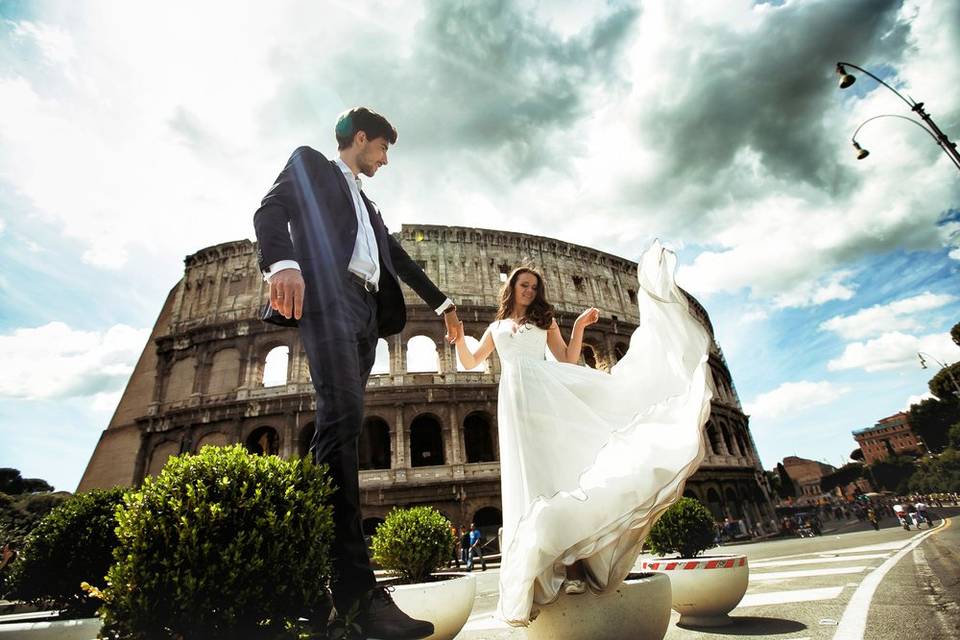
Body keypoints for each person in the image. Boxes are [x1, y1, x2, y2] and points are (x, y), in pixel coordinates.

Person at [253, 107, 462, 640]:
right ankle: (354, 588)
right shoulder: (312, 166)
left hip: (367, 312)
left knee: (341, 429)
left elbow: (396, 258)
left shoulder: (368, 206)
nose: (386, 160)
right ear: (362, 138)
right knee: (340, 425)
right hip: (331, 298)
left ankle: (340, 582)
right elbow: (269, 213)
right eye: (383, 149)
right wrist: (284, 265)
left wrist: (442, 305)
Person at [453, 242, 713, 626]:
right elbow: (471, 362)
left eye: (533, 287)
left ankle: (573, 569)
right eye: (523, 285)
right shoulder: (495, 327)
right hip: (513, 401)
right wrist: (459, 336)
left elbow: (567, 359)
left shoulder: (545, 321)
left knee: (557, 474)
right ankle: (543, 575)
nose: (529, 291)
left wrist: (577, 327)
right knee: (531, 478)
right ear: (511, 290)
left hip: (545, 395)